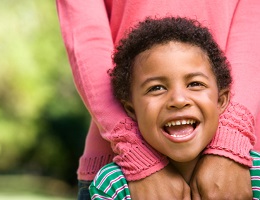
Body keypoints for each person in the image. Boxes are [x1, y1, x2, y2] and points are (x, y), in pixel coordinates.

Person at [56, 1, 260, 199]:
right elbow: (86, 37)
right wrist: (135, 153)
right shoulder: (111, 185)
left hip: (239, 170)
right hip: (125, 177)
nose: (179, 100)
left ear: (222, 99)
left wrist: (231, 141)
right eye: (157, 87)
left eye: (194, 84)